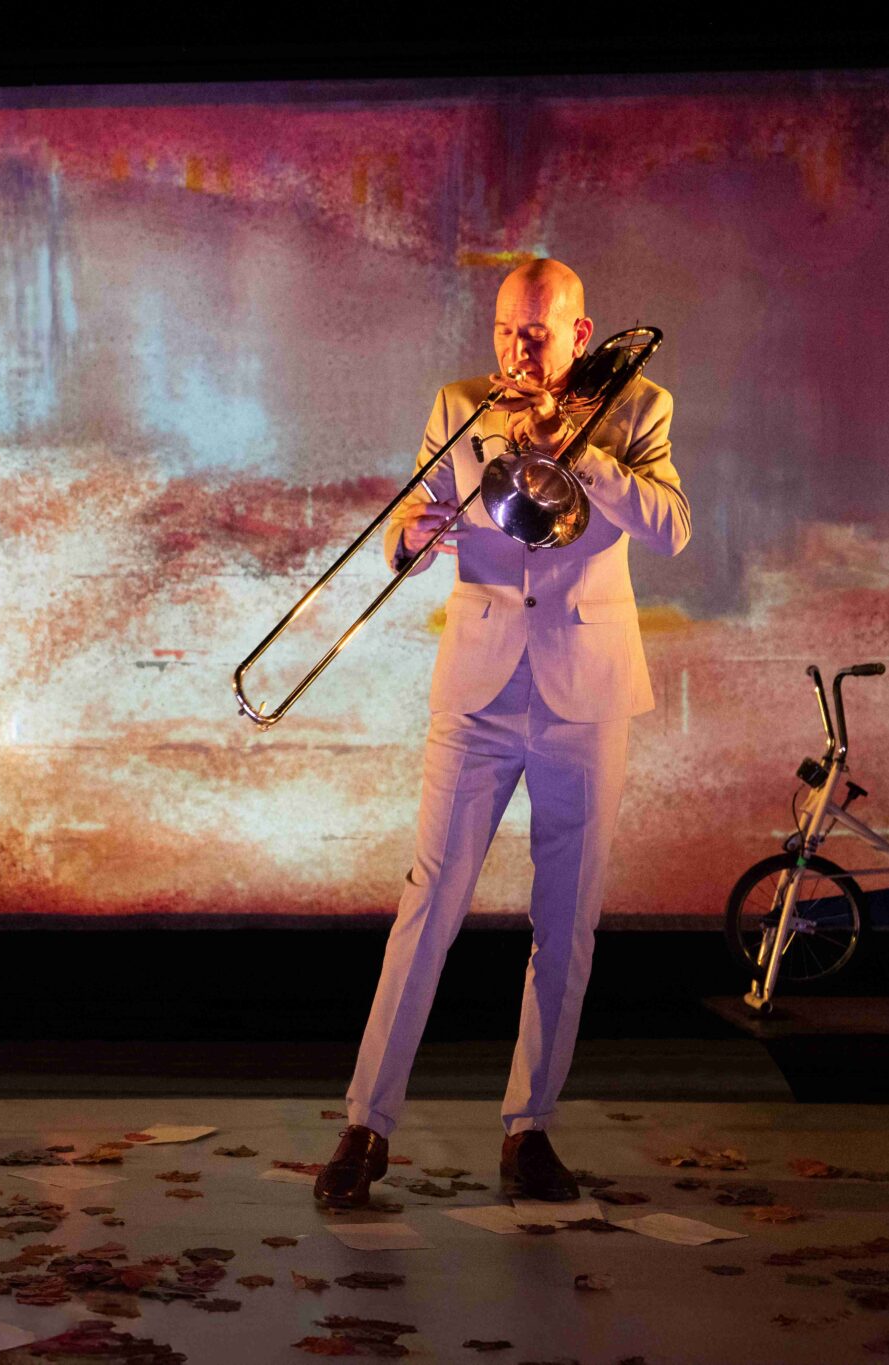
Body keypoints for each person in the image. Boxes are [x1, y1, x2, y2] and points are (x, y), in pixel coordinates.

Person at [315, 260, 691, 1208]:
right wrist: (411, 538)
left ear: (580, 332)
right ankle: (366, 1124)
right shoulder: (461, 404)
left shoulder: (639, 407)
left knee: (566, 919)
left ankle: (530, 1130)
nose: (517, 351)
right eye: (503, 331)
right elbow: (409, 523)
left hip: (587, 691)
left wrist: (583, 455)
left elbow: (673, 528)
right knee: (428, 902)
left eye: (536, 334)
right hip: (478, 690)